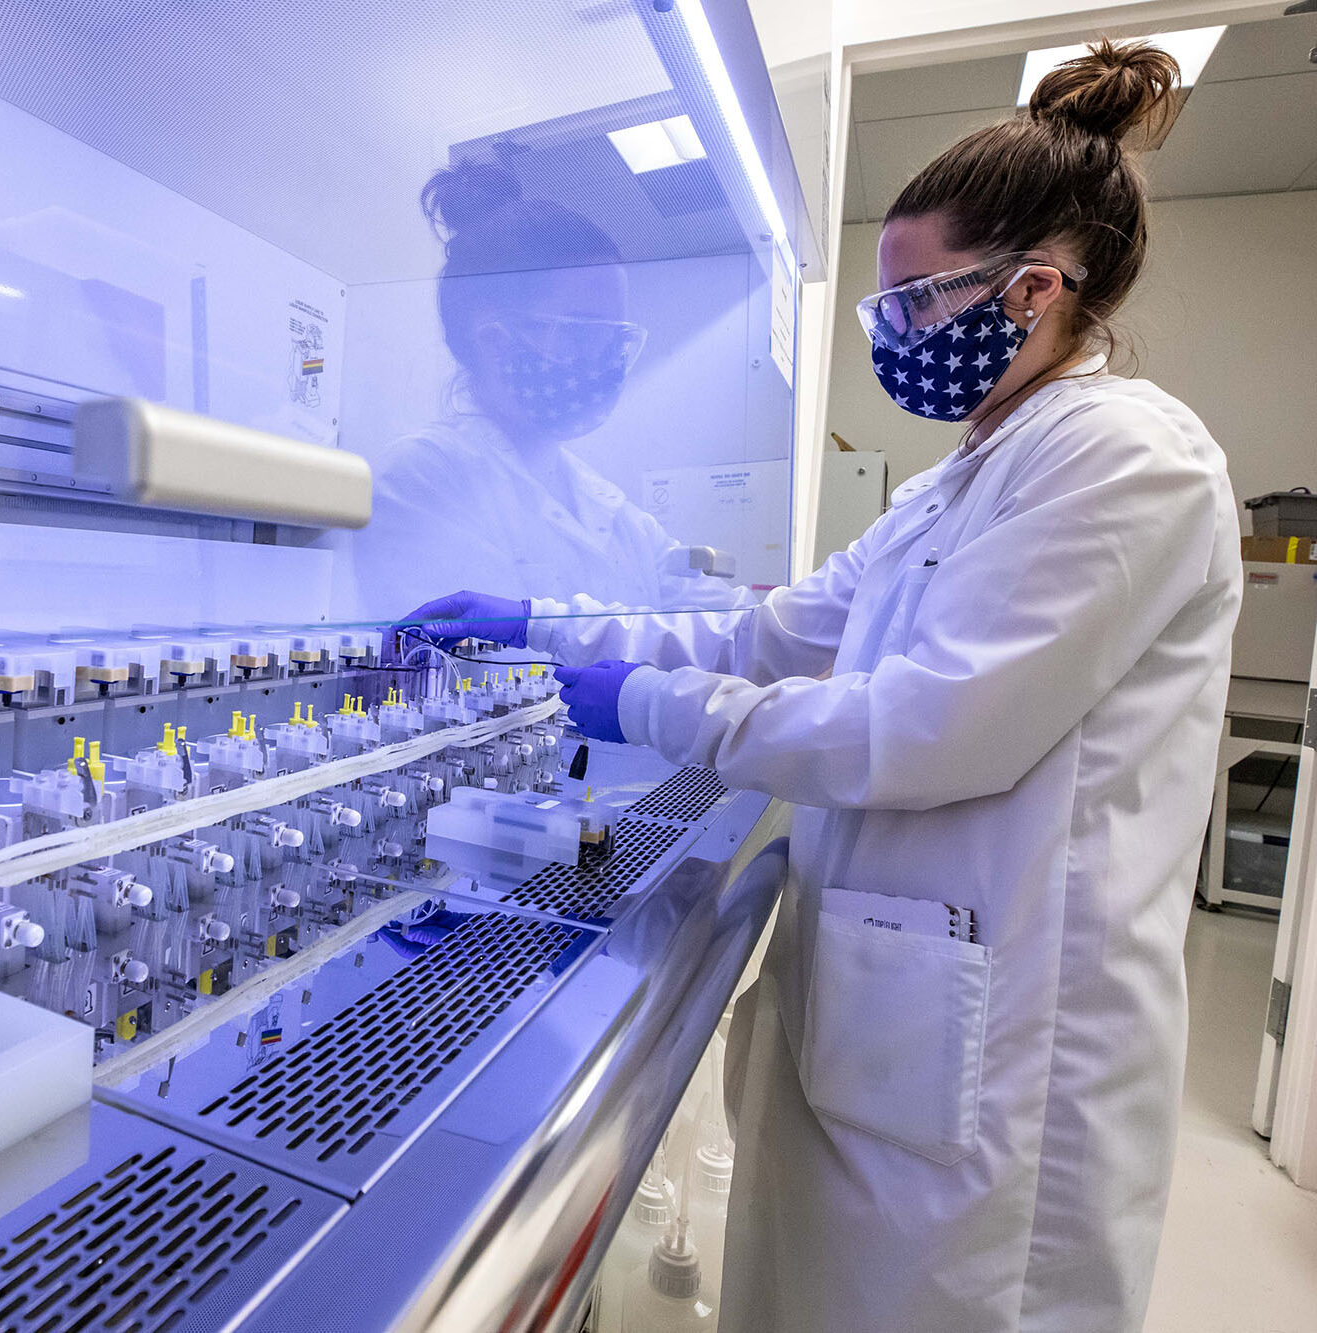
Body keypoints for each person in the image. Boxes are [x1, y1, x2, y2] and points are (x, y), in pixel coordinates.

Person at [400, 40, 1241, 1333]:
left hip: (1003, 1057)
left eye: (913, 303)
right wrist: (545, 625)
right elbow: (767, 632)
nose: (892, 334)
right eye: (881, 308)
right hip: (889, 1015)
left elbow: (925, 731)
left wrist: (634, 702)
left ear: (1031, 292)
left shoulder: (1124, 458)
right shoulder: (952, 486)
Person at [349, 162, 728, 618]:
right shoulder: (423, 478)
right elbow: (475, 655)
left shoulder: (602, 501)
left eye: (616, 338)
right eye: (584, 332)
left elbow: (720, 628)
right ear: (494, 342)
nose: (606, 358)